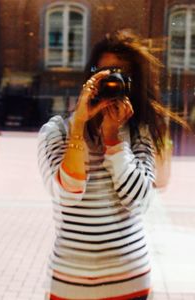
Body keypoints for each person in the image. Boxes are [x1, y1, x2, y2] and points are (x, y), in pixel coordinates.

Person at [38, 29, 188, 300]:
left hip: (131, 282)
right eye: (104, 73)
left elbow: (139, 202)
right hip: (71, 285)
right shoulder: (56, 131)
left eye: (120, 75)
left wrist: (113, 139)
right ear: (90, 78)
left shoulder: (140, 131)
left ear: (132, 84)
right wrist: (79, 124)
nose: (111, 83)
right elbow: (67, 194)